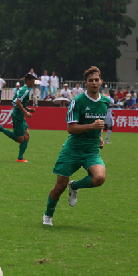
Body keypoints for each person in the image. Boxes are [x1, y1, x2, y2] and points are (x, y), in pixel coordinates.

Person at [43, 66, 110, 226]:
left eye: (97, 80)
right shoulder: (78, 101)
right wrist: (91, 127)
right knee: (59, 186)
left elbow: (99, 124)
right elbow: (71, 128)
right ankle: (48, 216)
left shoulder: (106, 101)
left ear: (101, 81)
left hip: (91, 150)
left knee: (99, 178)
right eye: (91, 81)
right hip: (73, 150)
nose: (94, 83)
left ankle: (75, 186)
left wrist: (99, 136)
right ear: (85, 83)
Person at [0, 73, 36, 162]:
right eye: (33, 82)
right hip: (18, 115)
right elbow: (18, 102)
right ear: (28, 81)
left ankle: (20, 158)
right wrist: (26, 112)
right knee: (20, 139)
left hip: (20, 115)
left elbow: (16, 101)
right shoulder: (25, 90)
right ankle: (1, 128)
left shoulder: (23, 89)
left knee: (27, 136)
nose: (34, 84)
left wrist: (28, 108)